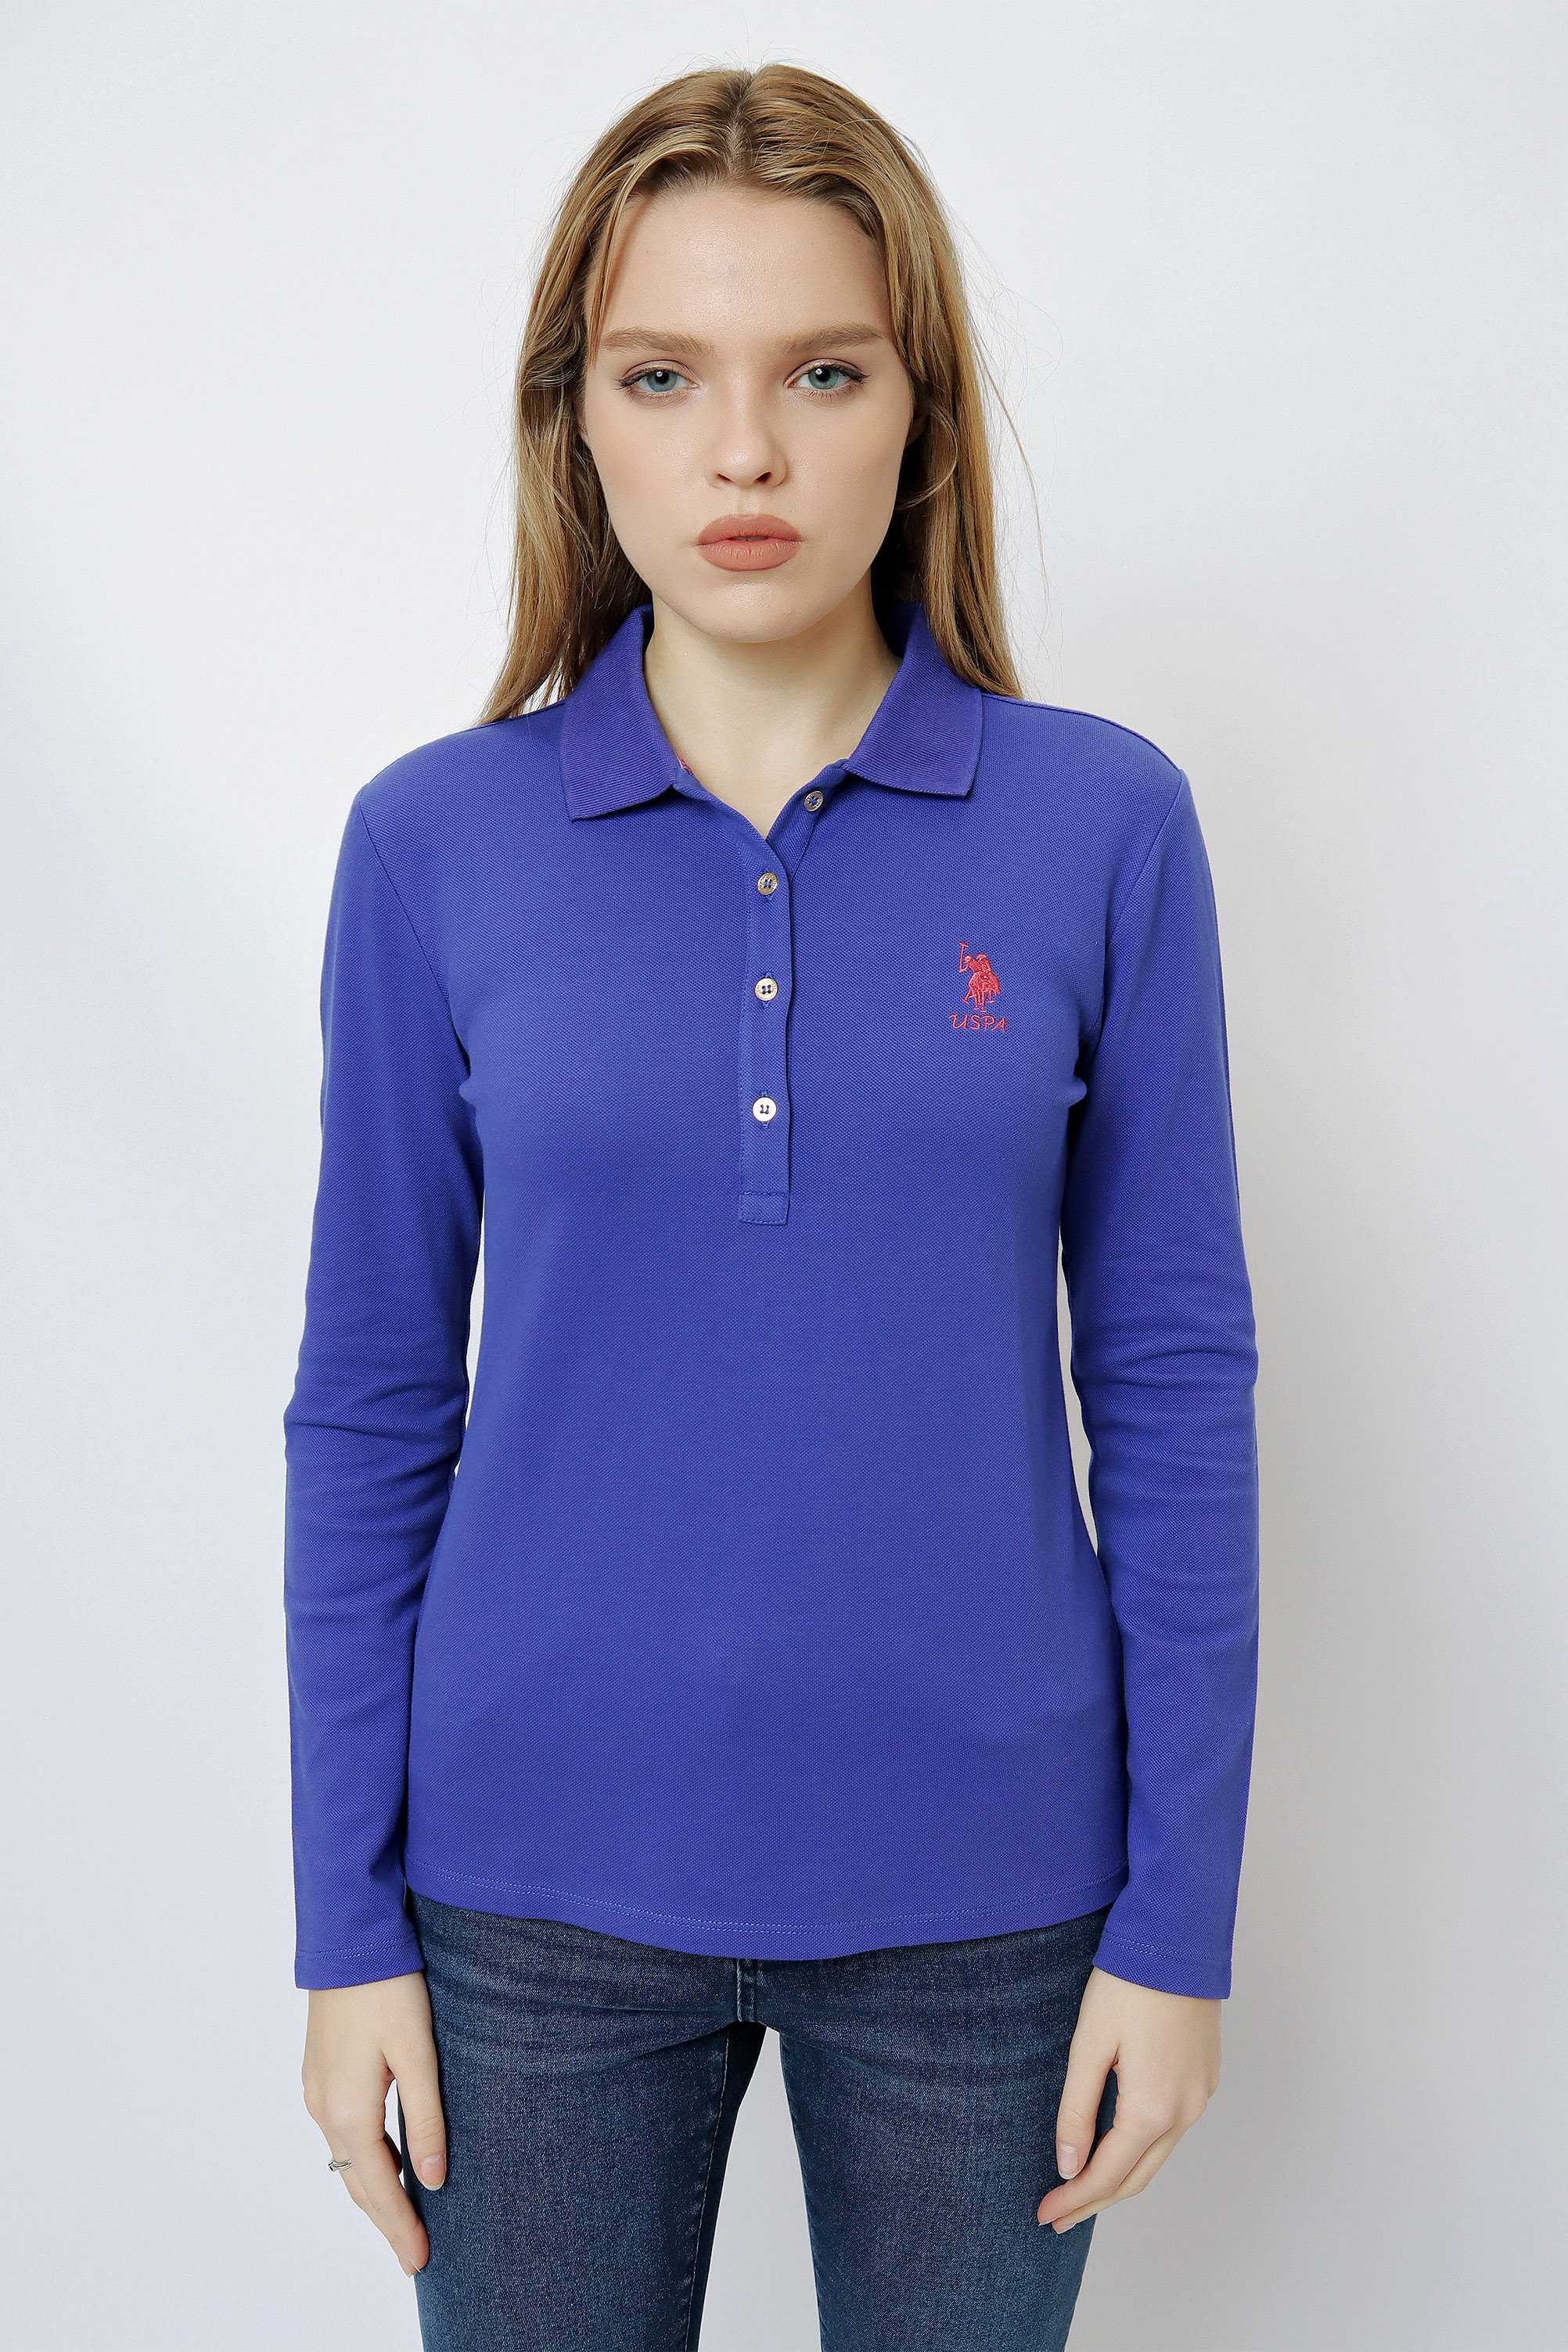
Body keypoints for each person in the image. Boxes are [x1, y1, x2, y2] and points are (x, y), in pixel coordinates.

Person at [283, 60, 1260, 2352]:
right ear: (577, 420)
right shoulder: (431, 846)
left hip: (993, 1905)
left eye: (823, 372)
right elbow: (369, 1406)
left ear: (919, 415)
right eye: (664, 377)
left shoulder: (1101, 828)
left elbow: (1175, 1389)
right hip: (522, 1902)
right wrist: (346, 1930)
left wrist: (1177, 1927)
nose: (745, 452)